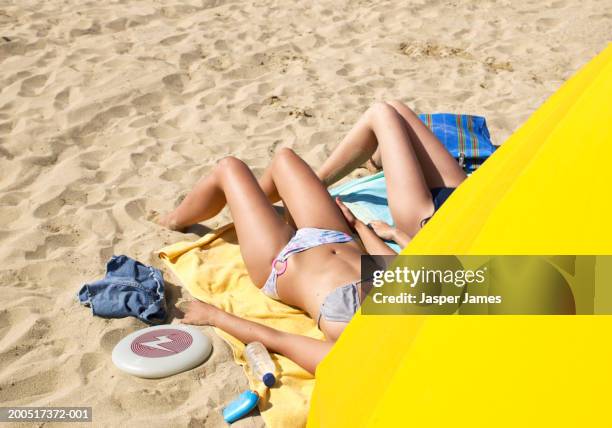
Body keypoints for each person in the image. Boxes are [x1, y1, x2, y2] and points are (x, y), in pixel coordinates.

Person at [157, 100, 465, 373]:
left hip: (280, 260)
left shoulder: (354, 351)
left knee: (230, 168)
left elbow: (278, 339)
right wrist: (359, 227)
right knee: (284, 159)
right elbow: (392, 265)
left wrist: (213, 316)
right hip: (336, 235)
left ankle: (177, 219)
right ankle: (254, 205)